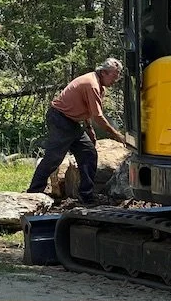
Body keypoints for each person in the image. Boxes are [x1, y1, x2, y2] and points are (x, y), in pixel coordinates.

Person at [27, 58, 126, 204]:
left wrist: (89, 128)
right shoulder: (91, 84)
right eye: (114, 75)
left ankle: (86, 196)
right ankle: (33, 193)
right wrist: (117, 135)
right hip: (60, 118)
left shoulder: (98, 85)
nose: (116, 79)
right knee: (54, 157)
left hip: (71, 122)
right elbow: (98, 116)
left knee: (88, 153)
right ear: (104, 72)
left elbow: (86, 108)